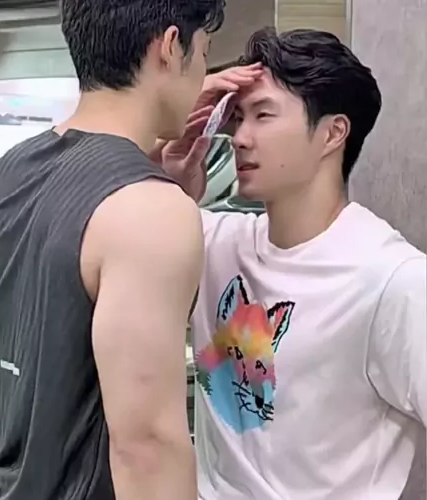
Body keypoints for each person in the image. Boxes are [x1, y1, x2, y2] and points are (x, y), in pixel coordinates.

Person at [0, 0, 227, 500]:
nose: (201, 79)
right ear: (170, 47)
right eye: (204, 54)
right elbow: (147, 448)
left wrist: (161, 180)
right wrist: (159, 193)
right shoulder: (148, 210)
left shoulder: (10, 171)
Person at [159, 28, 426, 499]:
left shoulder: (391, 279)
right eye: (237, 118)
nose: (240, 138)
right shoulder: (212, 241)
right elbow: (74, 219)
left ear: (332, 133)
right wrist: (168, 175)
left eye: (263, 115)